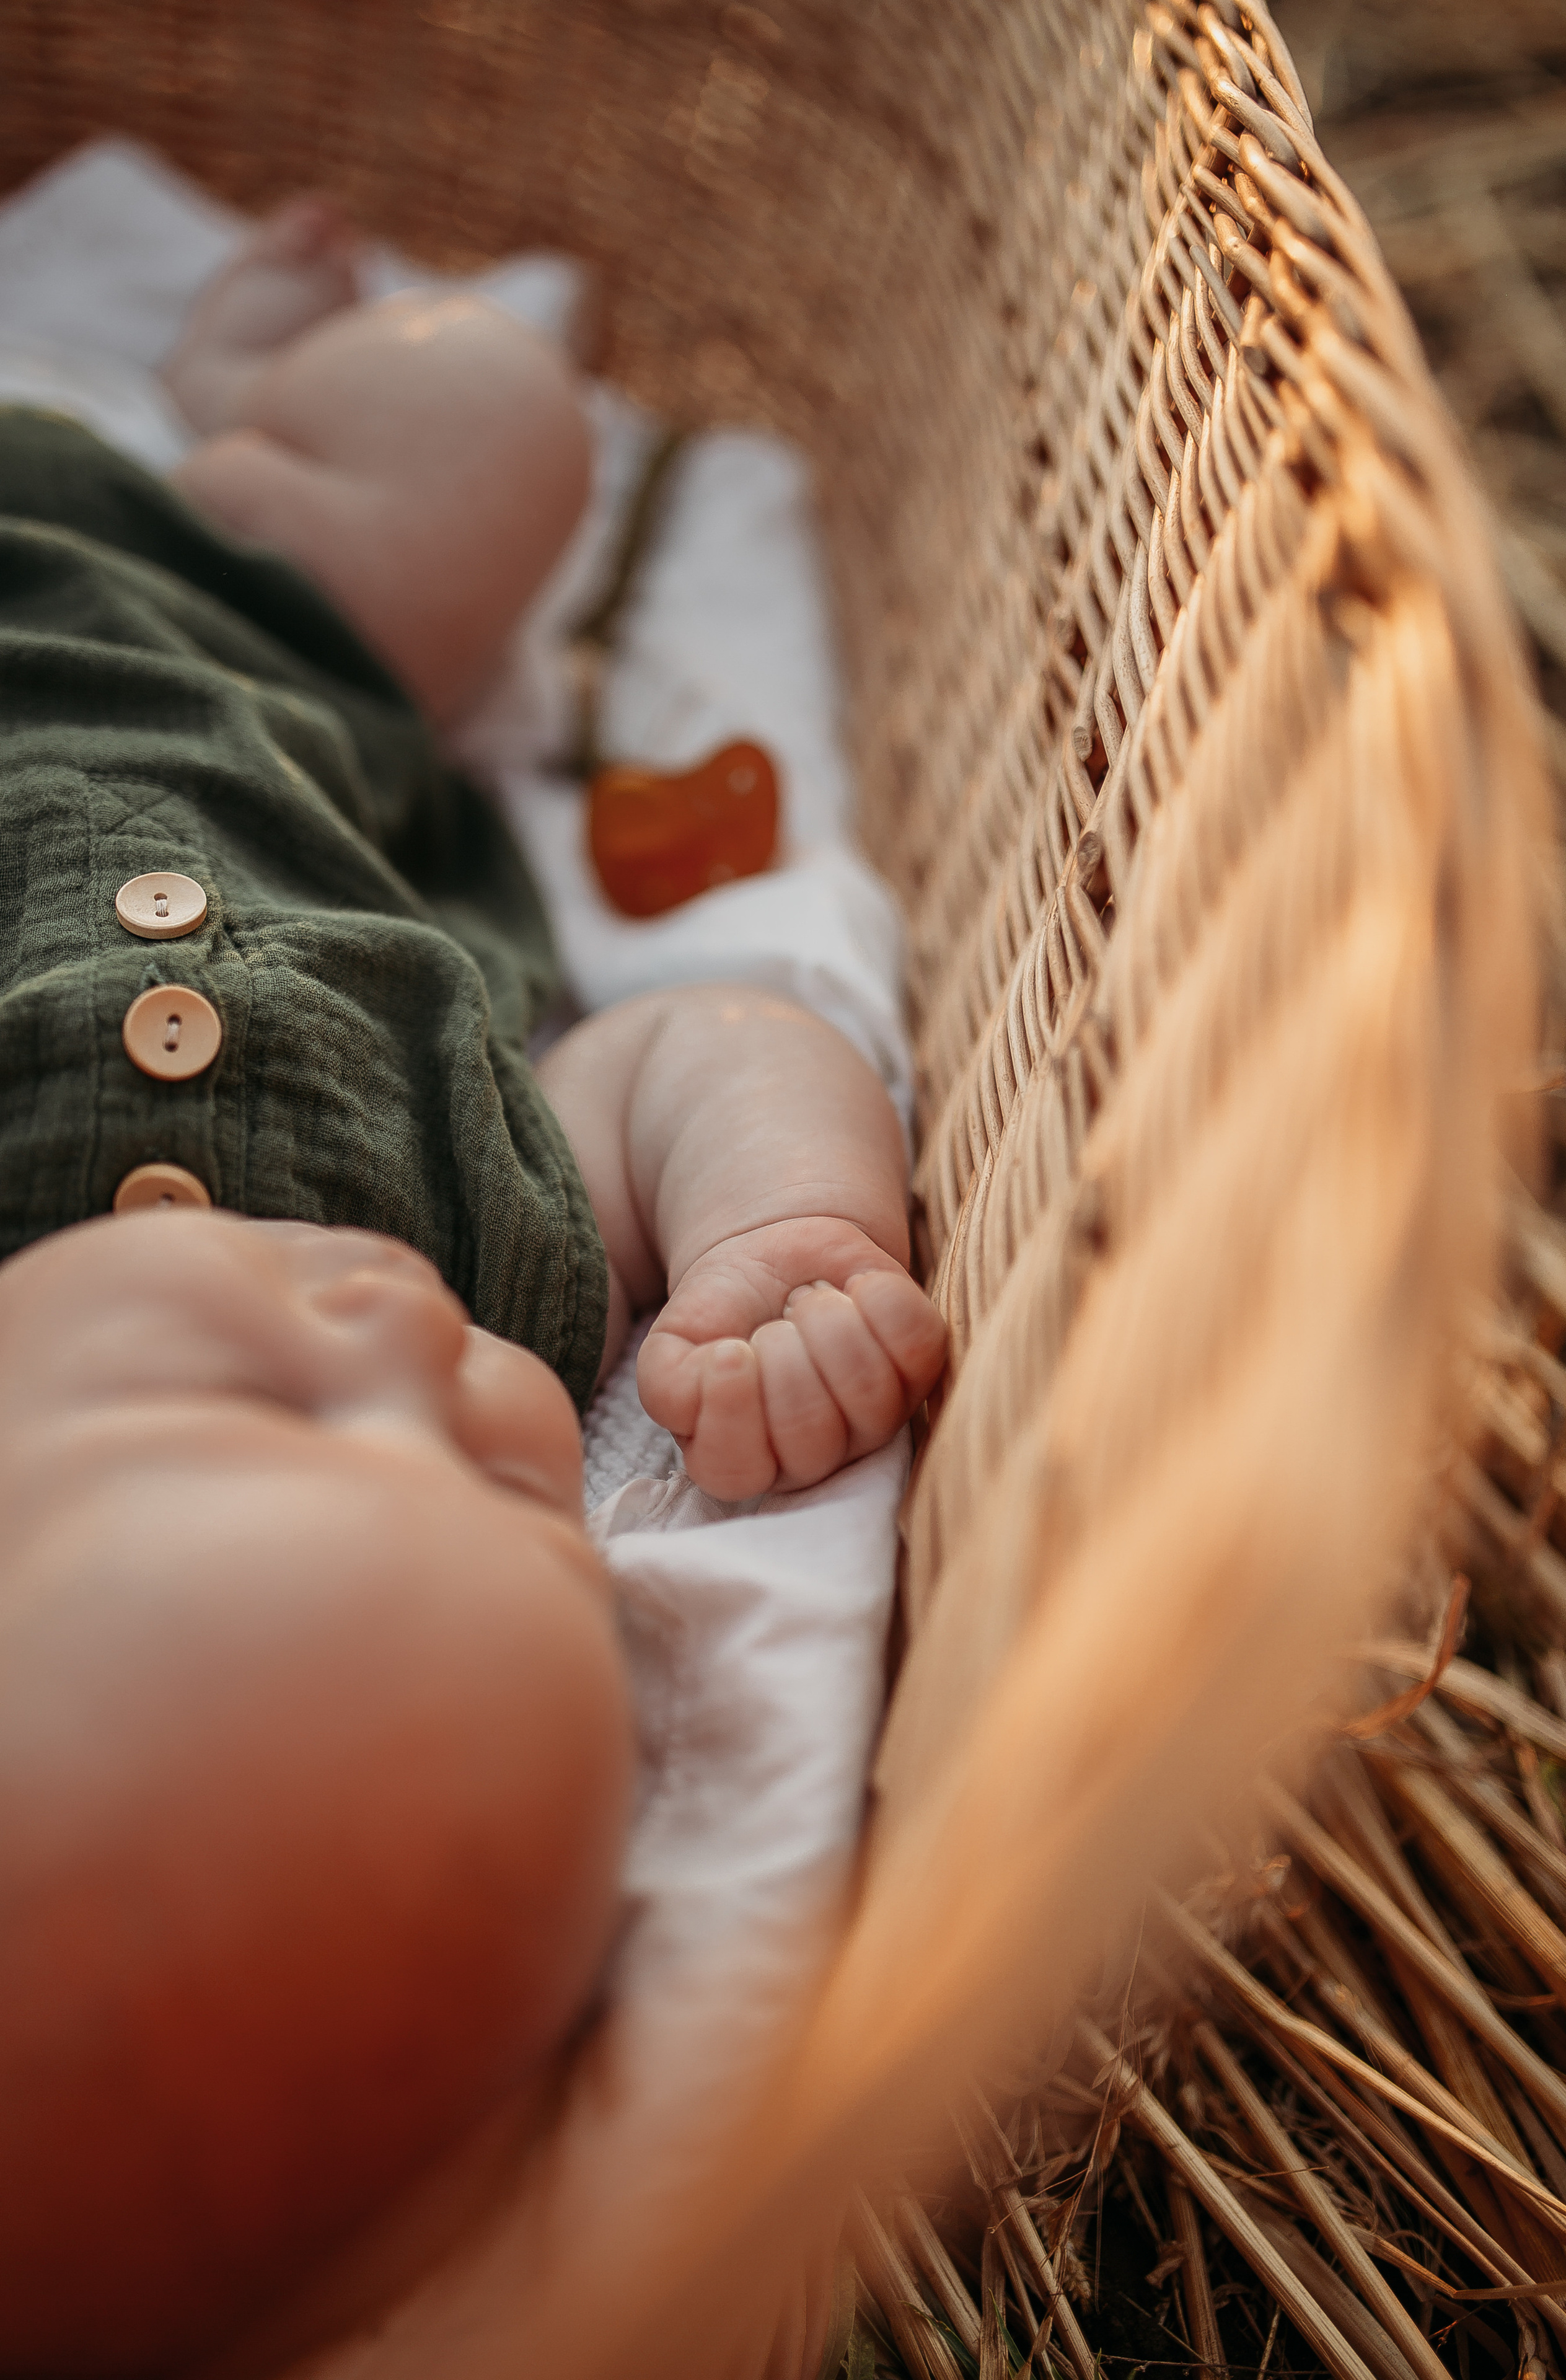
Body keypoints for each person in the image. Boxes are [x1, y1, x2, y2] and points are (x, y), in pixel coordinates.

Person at [0, 201, 946, 2376]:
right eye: (525, 1504)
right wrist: (778, 1241)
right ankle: (251, 391)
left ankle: (245, 372)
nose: (440, 1375)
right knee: (484, 421)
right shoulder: (494, 1257)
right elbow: (688, 1047)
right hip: (256, 602)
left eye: (246, 1415)